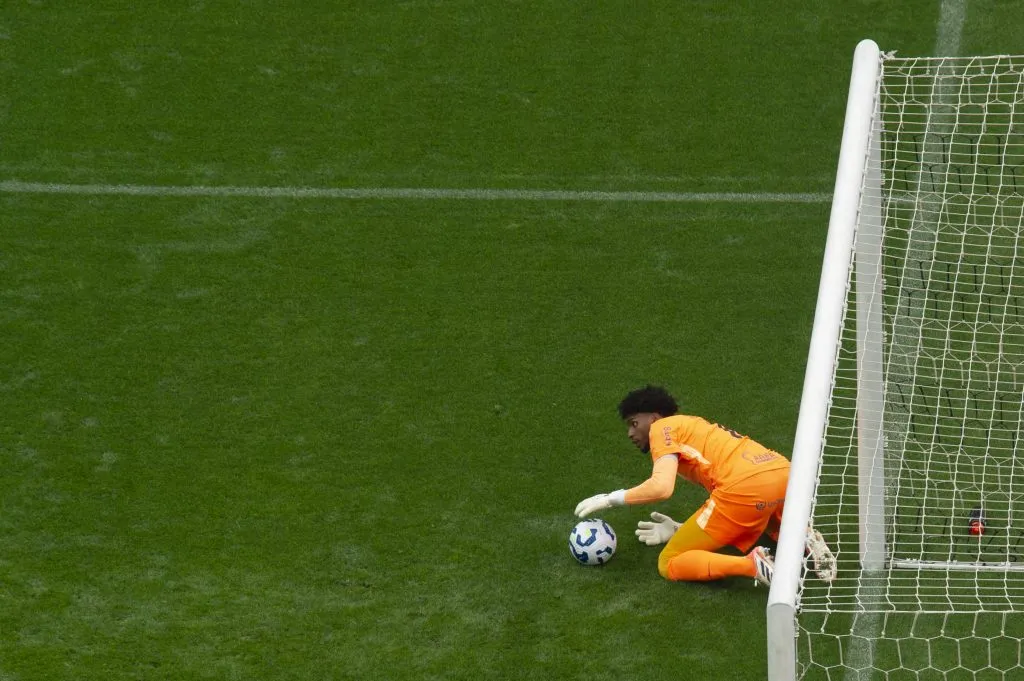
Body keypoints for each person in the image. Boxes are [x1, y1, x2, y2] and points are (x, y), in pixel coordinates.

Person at [574, 385, 835, 585]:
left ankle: (753, 565)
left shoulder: (662, 429)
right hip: (784, 475)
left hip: (745, 488)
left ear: (653, 418)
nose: (630, 433)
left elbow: (661, 487)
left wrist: (611, 498)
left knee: (669, 562)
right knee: (764, 513)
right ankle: (805, 535)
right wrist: (681, 529)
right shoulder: (693, 425)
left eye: (634, 423)